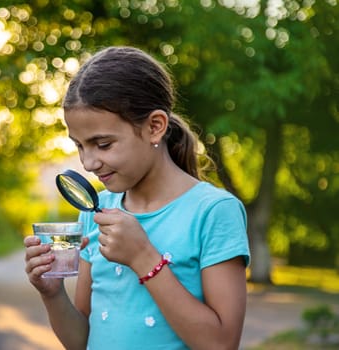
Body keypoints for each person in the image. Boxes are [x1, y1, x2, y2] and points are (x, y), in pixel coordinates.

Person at [24, 46, 250, 350]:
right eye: (79, 146)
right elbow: (81, 342)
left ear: (155, 127)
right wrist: (52, 294)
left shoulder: (213, 212)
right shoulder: (95, 212)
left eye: (102, 145)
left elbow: (221, 344)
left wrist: (143, 257)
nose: (88, 163)